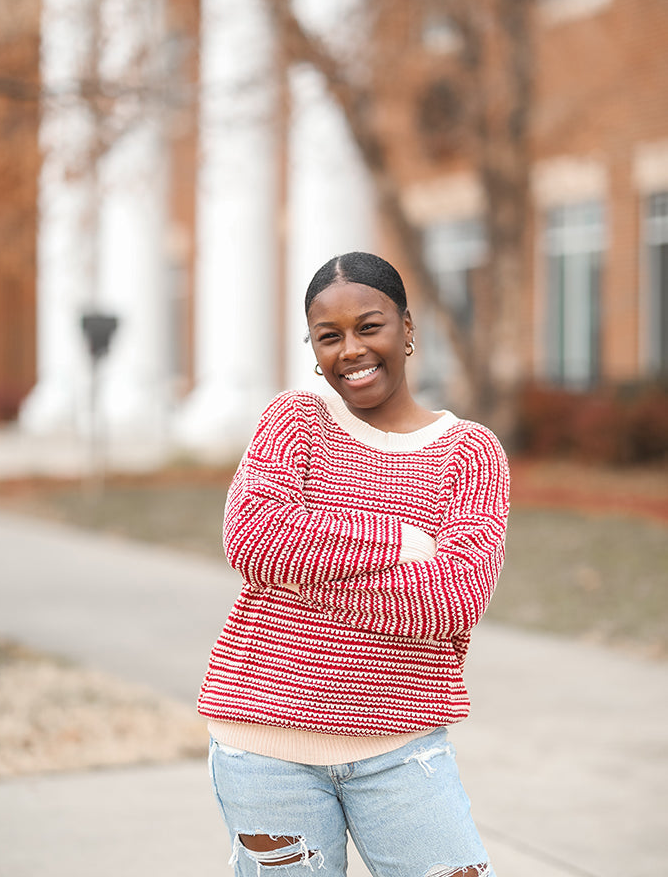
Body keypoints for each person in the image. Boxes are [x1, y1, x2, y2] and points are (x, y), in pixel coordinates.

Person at [198, 251, 510, 877]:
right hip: (262, 745)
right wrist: (397, 543)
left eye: (370, 326)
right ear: (312, 347)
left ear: (407, 328)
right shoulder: (294, 421)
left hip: (402, 751)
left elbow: (455, 597)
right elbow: (251, 538)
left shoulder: (470, 452)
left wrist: (295, 579)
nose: (352, 350)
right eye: (329, 335)